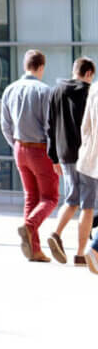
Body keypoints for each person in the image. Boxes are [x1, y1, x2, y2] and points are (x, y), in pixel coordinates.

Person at [1, 50, 60, 262]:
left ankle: (34, 250)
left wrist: (16, 145)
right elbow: (49, 127)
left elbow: (5, 125)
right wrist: (55, 157)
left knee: (31, 198)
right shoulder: (45, 91)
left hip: (19, 148)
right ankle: (29, 225)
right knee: (50, 197)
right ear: (41, 67)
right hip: (40, 149)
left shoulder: (9, 90)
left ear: (25, 65)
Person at [46, 57, 96, 265]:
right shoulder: (89, 92)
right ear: (88, 74)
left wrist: (54, 157)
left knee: (72, 199)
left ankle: (56, 233)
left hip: (64, 154)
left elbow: (50, 126)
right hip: (86, 156)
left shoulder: (56, 91)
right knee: (87, 206)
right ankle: (80, 253)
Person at [75, 79, 98, 275]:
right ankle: (95, 248)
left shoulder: (95, 88)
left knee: (88, 206)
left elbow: (85, 127)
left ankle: (93, 249)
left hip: (92, 159)